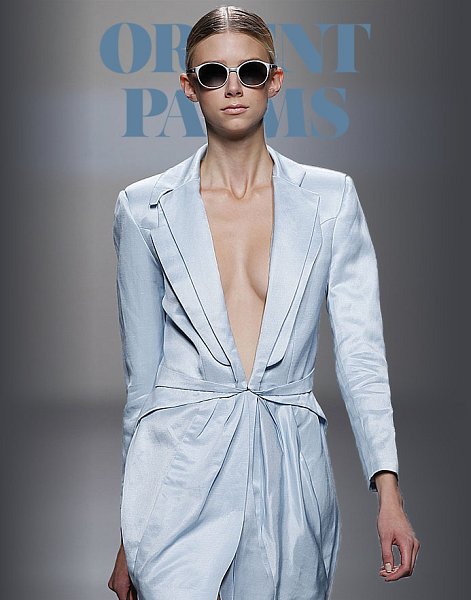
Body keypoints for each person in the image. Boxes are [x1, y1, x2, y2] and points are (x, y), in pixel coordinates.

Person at [108, 5, 420, 600]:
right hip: (176, 475)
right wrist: (130, 532)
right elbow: (141, 386)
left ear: (274, 82)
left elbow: (361, 354)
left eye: (249, 72)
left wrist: (389, 491)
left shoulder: (331, 200)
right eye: (212, 74)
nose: (232, 87)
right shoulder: (144, 208)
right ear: (189, 88)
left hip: (290, 471)